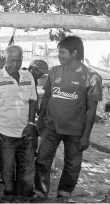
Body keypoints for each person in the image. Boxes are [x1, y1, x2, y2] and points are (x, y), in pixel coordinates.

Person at [33, 36, 102, 202]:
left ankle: (64, 193)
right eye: (59, 52)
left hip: (75, 130)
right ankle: (40, 192)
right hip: (51, 127)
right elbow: (47, 97)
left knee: (72, 165)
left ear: (74, 53)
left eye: (62, 52)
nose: (59, 55)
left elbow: (91, 109)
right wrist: (40, 119)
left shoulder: (92, 77)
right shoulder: (55, 71)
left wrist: (86, 135)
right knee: (42, 160)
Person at [0, 45, 37, 197]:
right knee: (7, 170)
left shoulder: (28, 77)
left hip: (25, 133)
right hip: (5, 134)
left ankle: (26, 196)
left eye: (19, 60)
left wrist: (31, 124)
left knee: (28, 169)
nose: (15, 64)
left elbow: (33, 100)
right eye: (11, 60)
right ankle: (10, 195)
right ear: (5, 59)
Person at [22, 60, 49, 156]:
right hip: (21, 113)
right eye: (40, 72)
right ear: (33, 68)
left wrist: (38, 110)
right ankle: (31, 152)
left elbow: (34, 95)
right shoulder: (24, 77)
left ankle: (33, 152)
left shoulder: (33, 78)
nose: (41, 75)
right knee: (33, 129)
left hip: (30, 111)